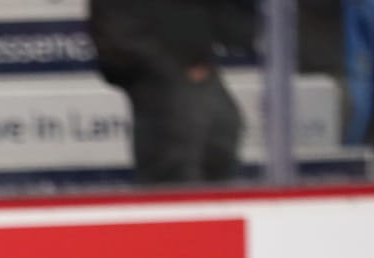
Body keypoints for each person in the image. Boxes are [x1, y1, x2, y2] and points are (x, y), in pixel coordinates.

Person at [87, 0, 260, 185]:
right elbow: (116, 36)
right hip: (155, 80)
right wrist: (172, 71)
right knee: (172, 168)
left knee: (220, 140)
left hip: (199, 72)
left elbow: (234, 28)